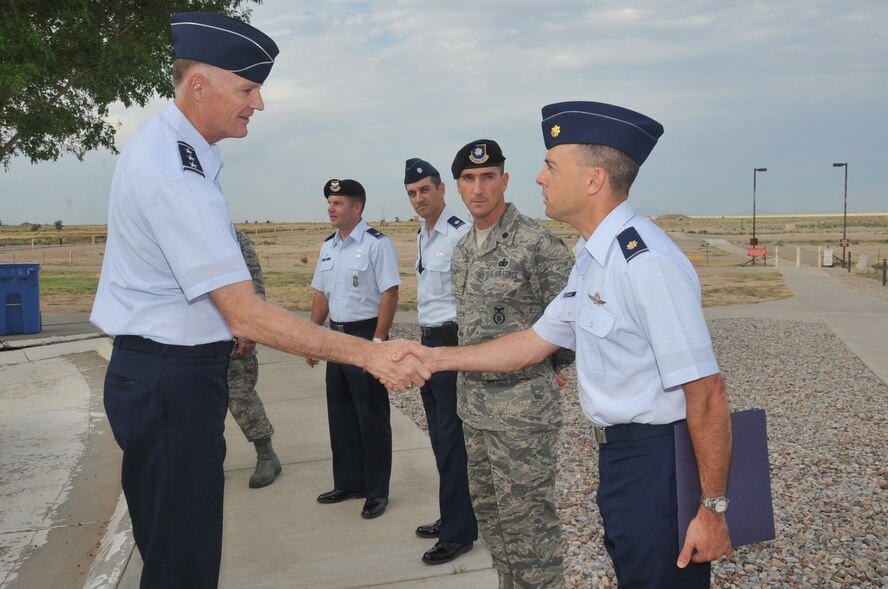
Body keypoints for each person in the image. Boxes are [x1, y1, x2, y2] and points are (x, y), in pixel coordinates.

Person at [90, 13, 427, 588]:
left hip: (163, 376)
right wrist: (371, 355)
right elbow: (244, 312)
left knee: (175, 550)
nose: (259, 104)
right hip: (171, 382)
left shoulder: (171, 148)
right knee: (182, 565)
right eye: (247, 89)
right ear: (199, 86)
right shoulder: (177, 173)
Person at [398, 102, 733, 588]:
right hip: (619, 457)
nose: (539, 178)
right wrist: (433, 357)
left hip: (657, 459)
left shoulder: (646, 264)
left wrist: (712, 509)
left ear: (594, 179)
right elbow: (530, 342)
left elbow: (708, 393)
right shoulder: (592, 262)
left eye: (552, 166)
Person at [449, 139, 575, 588]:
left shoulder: (538, 245)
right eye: (468, 178)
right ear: (458, 186)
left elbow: (569, 323)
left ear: (504, 181)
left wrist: (549, 367)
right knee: (491, 518)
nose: (478, 187)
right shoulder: (462, 249)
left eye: (488, 177)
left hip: (522, 414)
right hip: (474, 410)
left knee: (529, 528)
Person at [306, 178, 399, 520]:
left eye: (338, 203)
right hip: (336, 338)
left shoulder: (377, 244)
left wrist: (378, 341)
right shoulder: (328, 247)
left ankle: (376, 491)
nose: (331, 208)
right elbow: (322, 294)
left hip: (365, 336)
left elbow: (390, 292)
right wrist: (312, 337)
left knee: (371, 418)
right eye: (330, 203)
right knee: (341, 415)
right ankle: (349, 482)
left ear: (357, 207)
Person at [403, 158, 477, 564]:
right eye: (412, 193)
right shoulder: (424, 234)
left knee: (451, 442)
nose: (419, 199)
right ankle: (453, 515)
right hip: (428, 345)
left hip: (451, 347)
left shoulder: (460, 233)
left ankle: (458, 533)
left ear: (441, 190)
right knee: (439, 439)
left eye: (425, 190)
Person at [229, 229, 281, 488]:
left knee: (241, 398)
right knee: (202, 404)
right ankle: (208, 461)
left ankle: (267, 456)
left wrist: (249, 331)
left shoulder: (234, 237)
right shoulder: (190, 237)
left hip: (233, 335)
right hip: (199, 337)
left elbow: (255, 286)